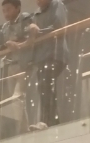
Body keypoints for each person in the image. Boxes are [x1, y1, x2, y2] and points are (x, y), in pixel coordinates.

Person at [23, 0, 69, 130]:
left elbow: (59, 26)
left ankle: (47, 121)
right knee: (43, 88)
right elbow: (30, 36)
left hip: (55, 53)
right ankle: (51, 122)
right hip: (41, 57)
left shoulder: (57, 4)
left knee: (46, 86)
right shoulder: (35, 14)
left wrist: (38, 32)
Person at [0, 0, 32, 137]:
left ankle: (23, 130)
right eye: (3, 11)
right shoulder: (4, 27)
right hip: (11, 65)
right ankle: (24, 129)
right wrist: (7, 45)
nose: (6, 13)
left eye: (8, 9)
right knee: (14, 100)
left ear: (18, 8)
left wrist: (15, 43)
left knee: (17, 98)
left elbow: (30, 38)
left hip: (24, 63)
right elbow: (1, 46)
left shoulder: (25, 18)